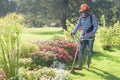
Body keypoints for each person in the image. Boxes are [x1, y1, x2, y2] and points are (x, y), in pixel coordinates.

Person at [71, 3, 98, 69]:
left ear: (87, 11)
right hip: (83, 37)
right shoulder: (80, 19)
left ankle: (87, 65)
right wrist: (73, 32)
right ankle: (79, 66)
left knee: (89, 51)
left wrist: (93, 32)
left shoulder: (92, 17)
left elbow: (95, 26)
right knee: (81, 50)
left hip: (90, 37)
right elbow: (77, 26)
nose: (82, 13)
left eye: (83, 12)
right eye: (81, 12)